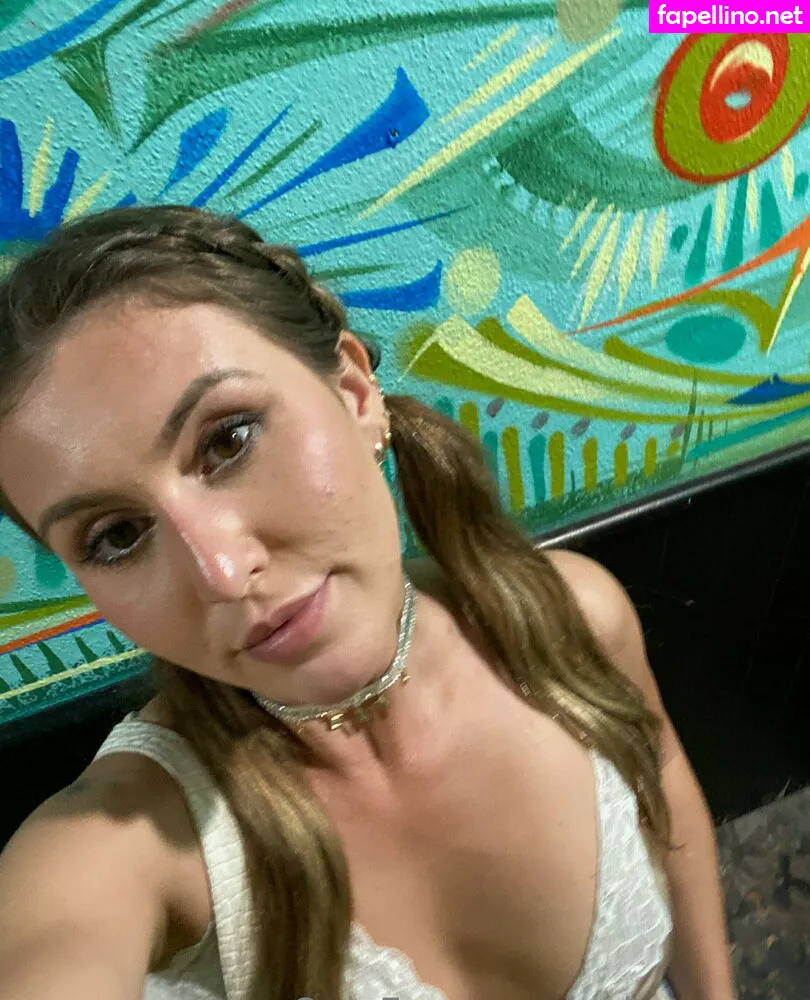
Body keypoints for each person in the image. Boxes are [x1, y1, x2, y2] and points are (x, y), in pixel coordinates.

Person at [0, 205, 735, 1000]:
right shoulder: (131, 845)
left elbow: (665, 794)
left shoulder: (577, 617)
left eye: (228, 440)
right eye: (116, 536)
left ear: (353, 391)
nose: (222, 572)